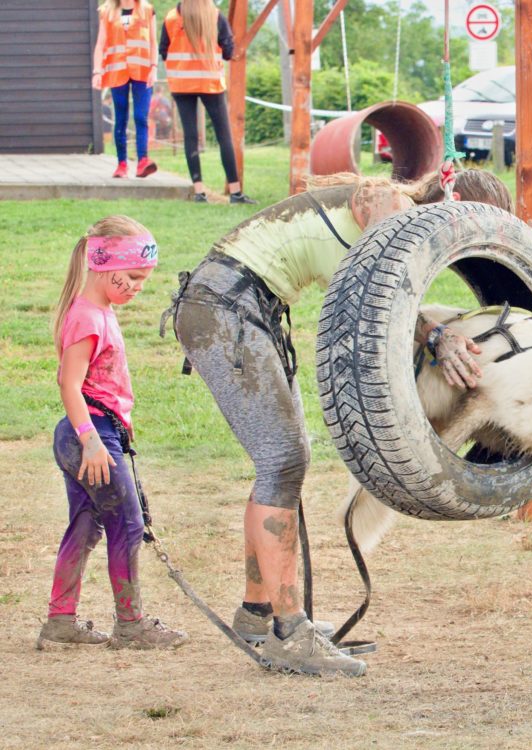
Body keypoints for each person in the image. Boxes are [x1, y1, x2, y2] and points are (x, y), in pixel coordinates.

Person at [161, 169, 513, 677]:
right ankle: (290, 633)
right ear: (452, 206)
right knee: (281, 462)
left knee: (281, 462)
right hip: (225, 307)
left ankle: (258, 614)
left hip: (241, 305)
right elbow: (377, 300)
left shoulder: (393, 209)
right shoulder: (390, 205)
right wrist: (439, 339)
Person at [38, 216, 188, 651]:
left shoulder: (98, 311)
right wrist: (90, 440)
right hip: (90, 435)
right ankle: (131, 625)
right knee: (128, 523)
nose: (140, 286)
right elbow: (69, 383)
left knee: (86, 525)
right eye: (135, 276)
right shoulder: (88, 317)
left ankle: (60, 621)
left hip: (95, 432)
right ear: (105, 266)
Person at [160, 0, 255, 204]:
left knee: (190, 136)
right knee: (224, 136)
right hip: (210, 83)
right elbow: (229, 52)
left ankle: (199, 191)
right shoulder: (215, 17)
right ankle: (236, 192)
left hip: (181, 84)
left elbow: (163, 51)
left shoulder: (171, 19)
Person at [92, 0, 158, 179]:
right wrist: (97, 71)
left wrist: (154, 67)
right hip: (117, 70)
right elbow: (100, 44)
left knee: (140, 116)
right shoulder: (107, 12)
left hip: (143, 71)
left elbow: (153, 41)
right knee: (120, 118)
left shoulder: (147, 10)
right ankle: (122, 164)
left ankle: (143, 161)